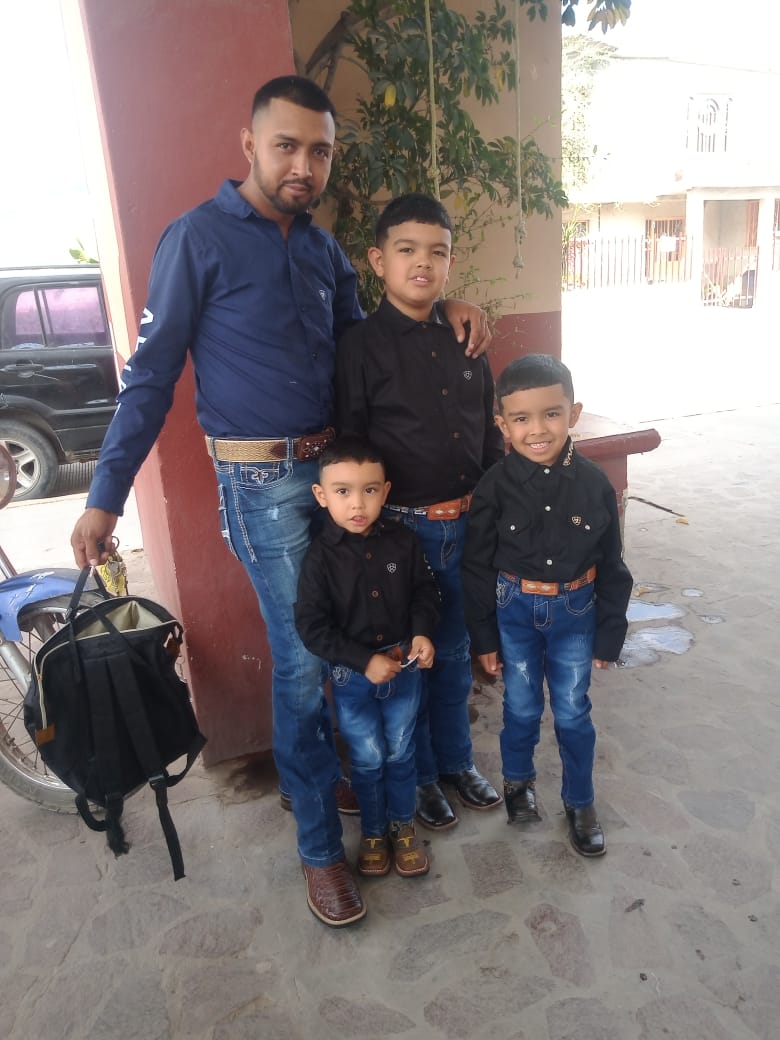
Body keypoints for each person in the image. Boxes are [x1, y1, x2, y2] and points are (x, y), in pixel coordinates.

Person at [69, 76, 491, 927]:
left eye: (320, 150)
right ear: (249, 145)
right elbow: (150, 376)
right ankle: (320, 850)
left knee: (362, 632)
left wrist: (438, 303)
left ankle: (324, 777)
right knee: (305, 660)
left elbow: (364, 344)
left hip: (342, 478)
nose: (304, 165)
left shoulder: (325, 250)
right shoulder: (197, 239)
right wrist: (105, 496)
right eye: (287, 145)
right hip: (261, 485)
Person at [335, 193, 505, 833]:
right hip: (401, 532)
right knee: (414, 657)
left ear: (451, 262)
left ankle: (458, 762)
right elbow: (352, 445)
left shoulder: (467, 337)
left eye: (438, 252)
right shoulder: (360, 347)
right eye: (406, 250)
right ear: (379, 261)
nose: (423, 263)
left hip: (466, 527)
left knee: (456, 654)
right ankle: (425, 775)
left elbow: (488, 434)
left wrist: (492, 510)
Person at [461, 354, 633, 857]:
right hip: (514, 612)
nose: (537, 430)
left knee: (573, 712)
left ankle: (580, 803)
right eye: (521, 418)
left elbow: (613, 564)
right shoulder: (493, 487)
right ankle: (518, 784)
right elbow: (476, 566)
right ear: (502, 424)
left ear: (573, 413)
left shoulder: (594, 484)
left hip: (575, 615)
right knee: (521, 707)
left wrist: (609, 634)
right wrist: (484, 637)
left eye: (551, 414)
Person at [294, 437, 440, 891]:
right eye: (343, 491)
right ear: (321, 495)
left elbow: (425, 592)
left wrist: (422, 632)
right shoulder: (319, 558)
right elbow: (311, 627)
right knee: (368, 756)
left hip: (404, 669)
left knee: (401, 750)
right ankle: (374, 832)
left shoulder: (403, 542)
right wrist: (362, 661)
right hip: (352, 679)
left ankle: (402, 826)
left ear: (386, 490)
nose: (357, 504)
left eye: (370, 490)